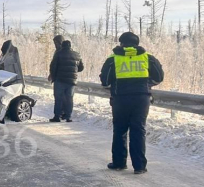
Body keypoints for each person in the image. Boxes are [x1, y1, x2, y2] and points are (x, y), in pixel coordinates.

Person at [99, 32, 164, 174]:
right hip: (141, 99)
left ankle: (119, 163)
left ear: (121, 43)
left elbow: (105, 81)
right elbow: (159, 77)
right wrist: (146, 85)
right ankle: (139, 166)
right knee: (138, 130)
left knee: (120, 130)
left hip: (120, 98)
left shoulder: (113, 59)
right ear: (137, 43)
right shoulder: (147, 57)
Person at [48, 39, 84, 122]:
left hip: (60, 80)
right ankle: (68, 117)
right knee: (69, 98)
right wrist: (73, 71)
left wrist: (53, 76)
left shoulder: (58, 54)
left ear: (62, 46)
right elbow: (81, 68)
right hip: (71, 81)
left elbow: (53, 66)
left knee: (58, 98)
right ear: (70, 46)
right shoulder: (77, 55)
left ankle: (57, 116)